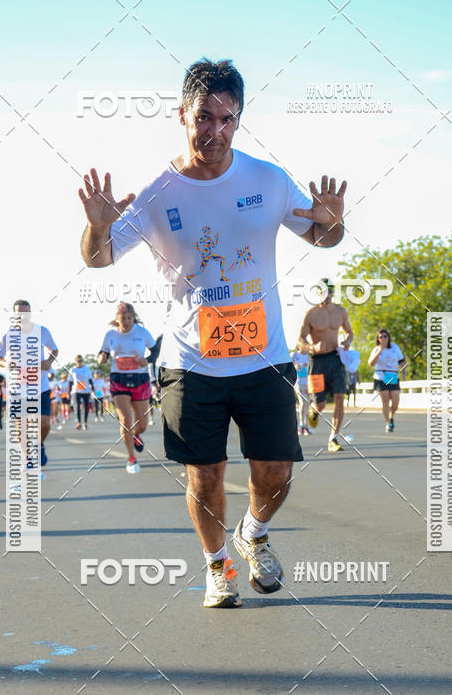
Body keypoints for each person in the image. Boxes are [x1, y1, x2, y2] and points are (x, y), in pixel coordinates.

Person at [79, 58, 347, 608]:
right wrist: (97, 225)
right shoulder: (157, 192)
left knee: (276, 470)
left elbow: (322, 239)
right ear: (182, 115)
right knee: (205, 476)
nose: (216, 131)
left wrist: (334, 219)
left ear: (240, 120)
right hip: (190, 362)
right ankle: (217, 566)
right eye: (205, 117)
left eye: (229, 119)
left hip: (264, 358)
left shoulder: (268, 179)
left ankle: (252, 532)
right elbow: (99, 258)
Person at [0, 300, 58, 470]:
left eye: (25, 313)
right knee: (20, 427)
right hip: (17, 388)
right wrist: (5, 363)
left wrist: (48, 362)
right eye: (19, 314)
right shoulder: (8, 335)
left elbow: (55, 349)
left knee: (44, 423)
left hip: (40, 387)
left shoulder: (42, 332)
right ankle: (27, 458)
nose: (22, 316)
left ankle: (39, 445)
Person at [97, 302, 155, 473]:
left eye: (130, 318)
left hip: (140, 379)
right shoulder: (110, 335)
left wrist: (148, 360)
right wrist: (102, 358)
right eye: (123, 319)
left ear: (134, 318)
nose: (127, 322)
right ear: (117, 319)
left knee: (142, 424)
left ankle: (136, 435)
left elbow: (155, 350)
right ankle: (131, 458)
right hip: (118, 379)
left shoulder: (142, 332)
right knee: (125, 419)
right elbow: (103, 353)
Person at [296, 279, 353, 452]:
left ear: (332, 292)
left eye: (329, 291)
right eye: (322, 291)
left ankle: (333, 439)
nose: (326, 294)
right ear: (318, 293)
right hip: (317, 362)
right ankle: (314, 411)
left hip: (335, 360)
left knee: (339, 399)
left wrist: (348, 341)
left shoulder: (340, 312)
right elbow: (300, 341)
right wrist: (312, 347)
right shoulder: (311, 314)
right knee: (320, 405)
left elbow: (349, 331)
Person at [368, 329, 407, 432]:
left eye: (385, 336)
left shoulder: (394, 347)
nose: (383, 338)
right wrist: (380, 351)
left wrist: (404, 372)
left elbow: (402, 361)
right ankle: (388, 423)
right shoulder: (376, 349)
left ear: (388, 337)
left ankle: (391, 415)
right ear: (378, 339)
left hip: (392, 375)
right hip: (381, 375)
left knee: (395, 401)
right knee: (385, 401)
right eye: (381, 337)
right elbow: (371, 363)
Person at [69, 354, 95, 430]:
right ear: (75, 361)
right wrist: (69, 392)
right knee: (77, 407)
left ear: (82, 361)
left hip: (86, 390)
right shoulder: (73, 369)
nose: (79, 362)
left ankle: (85, 423)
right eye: (78, 361)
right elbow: (70, 381)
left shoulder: (86, 368)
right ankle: (79, 422)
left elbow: (90, 379)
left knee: (86, 407)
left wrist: (93, 388)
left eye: (81, 361)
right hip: (77, 391)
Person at [291, 349, 311, 434]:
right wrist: (295, 367)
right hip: (298, 383)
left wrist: (308, 365)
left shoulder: (309, 355)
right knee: (302, 402)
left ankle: (306, 426)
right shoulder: (294, 354)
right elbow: (287, 366)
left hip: (307, 383)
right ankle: (301, 426)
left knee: (307, 403)